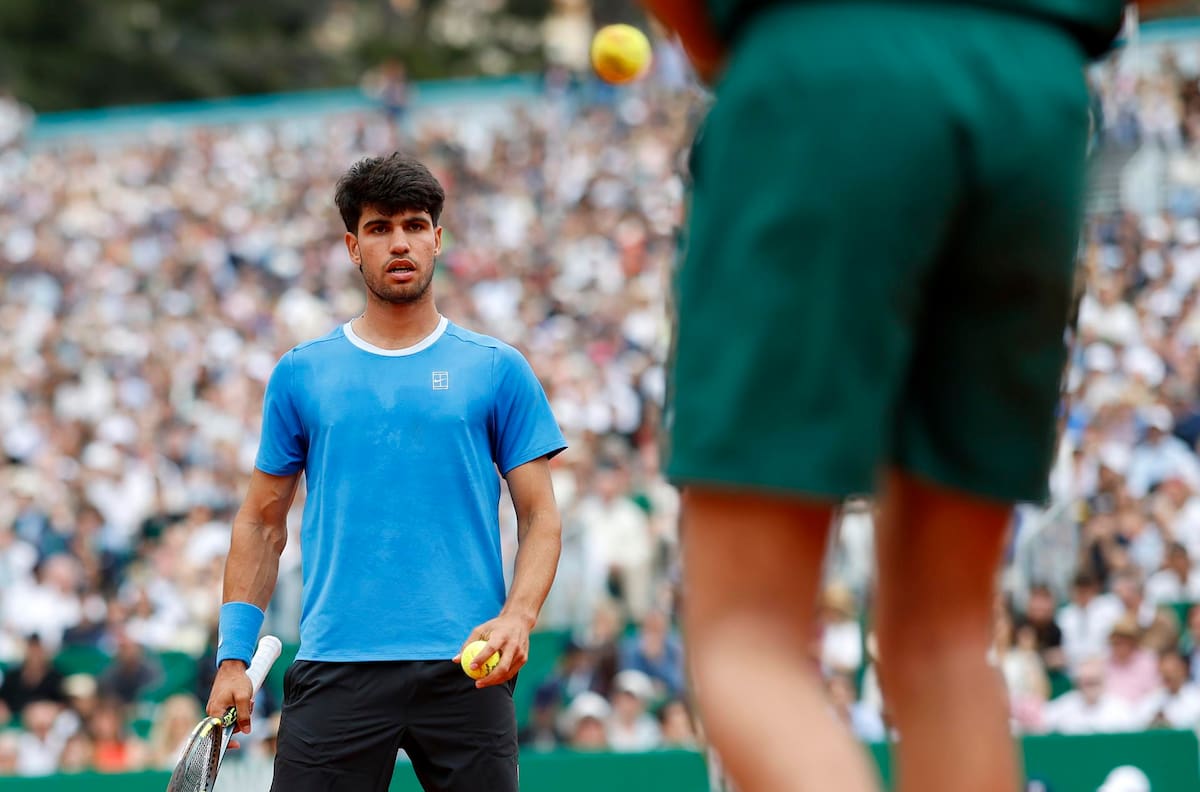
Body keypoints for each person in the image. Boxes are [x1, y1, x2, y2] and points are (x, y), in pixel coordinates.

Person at [637, 1, 1128, 791]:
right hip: (1034, 87)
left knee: (745, 642)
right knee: (945, 645)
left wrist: (729, 54)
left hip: (822, 64)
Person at [204, 153, 566, 792]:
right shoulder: (301, 372)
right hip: (335, 665)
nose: (400, 242)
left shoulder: (497, 368)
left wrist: (520, 616)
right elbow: (261, 524)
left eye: (414, 225)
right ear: (353, 246)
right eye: (379, 228)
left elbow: (540, 517)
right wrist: (234, 657)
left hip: (468, 667)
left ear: (437, 239)